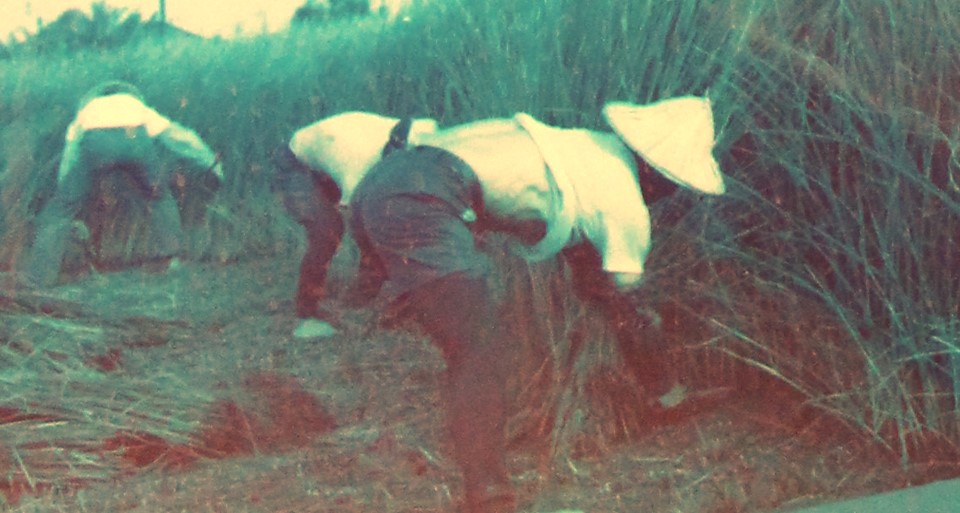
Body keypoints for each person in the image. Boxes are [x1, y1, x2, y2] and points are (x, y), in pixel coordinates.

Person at [345, 96, 727, 513]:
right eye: (675, 183)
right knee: (479, 348)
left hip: (379, 182)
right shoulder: (625, 204)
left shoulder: (582, 147)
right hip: (420, 198)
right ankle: (490, 499)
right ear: (659, 175)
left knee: (467, 330)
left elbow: (584, 262)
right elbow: (623, 292)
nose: (671, 194)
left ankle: (665, 399)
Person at [21, 80, 223, 287]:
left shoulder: (87, 110)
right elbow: (180, 137)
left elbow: (70, 154)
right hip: (134, 137)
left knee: (60, 210)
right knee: (158, 196)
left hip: (94, 140)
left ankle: (38, 277)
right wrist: (210, 161)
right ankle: (171, 259)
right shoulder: (136, 105)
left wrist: (64, 188)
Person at [272, 112, 438, 338]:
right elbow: (362, 226)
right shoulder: (356, 164)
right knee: (327, 232)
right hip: (296, 162)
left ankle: (361, 300)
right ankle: (307, 315)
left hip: (331, 151)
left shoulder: (427, 132)